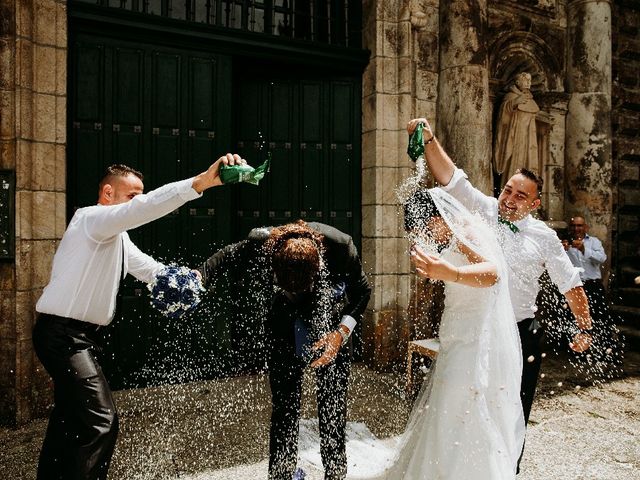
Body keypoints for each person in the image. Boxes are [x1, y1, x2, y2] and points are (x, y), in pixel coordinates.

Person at [32, 155, 244, 480]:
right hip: (63, 337)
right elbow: (141, 210)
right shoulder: (90, 220)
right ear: (107, 194)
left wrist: (189, 278)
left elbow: (150, 270)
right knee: (101, 421)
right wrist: (200, 182)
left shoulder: (116, 237)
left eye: (141, 194)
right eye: (133, 195)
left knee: (70, 419)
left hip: (79, 337)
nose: (139, 201)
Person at [406, 117, 593, 466]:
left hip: (522, 331)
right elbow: (451, 177)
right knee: (472, 402)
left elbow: (571, 285)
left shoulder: (545, 238)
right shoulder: (483, 209)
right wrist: (429, 139)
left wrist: (584, 326)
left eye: (521, 195)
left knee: (512, 409)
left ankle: (508, 469)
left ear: (535, 204)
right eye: (508, 189)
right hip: (480, 329)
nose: (510, 199)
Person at [367, 187, 525, 479]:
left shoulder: (468, 232)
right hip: (457, 334)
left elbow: (492, 273)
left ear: (438, 218)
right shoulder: (453, 236)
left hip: (474, 340)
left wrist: (448, 273)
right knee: (448, 409)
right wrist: (436, 271)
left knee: (462, 409)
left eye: (425, 230)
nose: (426, 238)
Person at [199, 220, 371, 480]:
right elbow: (224, 257)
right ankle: (281, 475)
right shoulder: (264, 242)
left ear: (318, 270)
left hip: (330, 328)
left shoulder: (341, 246)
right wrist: (197, 277)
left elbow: (362, 291)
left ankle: (335, 474)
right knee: (285, 410)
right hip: (284, 326)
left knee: (332, 408)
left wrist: (340, 334)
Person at [564, 216, 621, 356]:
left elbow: (602, 259)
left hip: (593, 285)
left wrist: (584, 250)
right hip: (575, 286)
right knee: (576, 317)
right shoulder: (565, 243)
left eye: (579, 225)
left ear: (585, 227)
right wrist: (562, 250)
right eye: (573, 226)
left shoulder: (594, 242)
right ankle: (580, 349)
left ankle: (604, 347)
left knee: (600, 316)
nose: (576, 229)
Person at [493, 72, 540, 187]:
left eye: (530, 80)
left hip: (529, 139)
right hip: (514, 136)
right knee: (514, 163)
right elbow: (503, 117)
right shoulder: (511, 96)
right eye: (525, 80)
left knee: (527, 165)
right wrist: (515, 103)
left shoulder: (531, 100)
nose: (528, 83)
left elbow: (534, 115)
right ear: (517, 82)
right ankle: (510, 188)